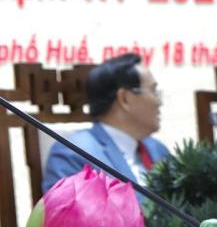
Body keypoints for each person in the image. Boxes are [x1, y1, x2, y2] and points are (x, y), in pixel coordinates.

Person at [41, 53, 169, 195]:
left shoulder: (158, 149)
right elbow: (64, 207)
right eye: (153, 91)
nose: (159, 102)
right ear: (125, 98)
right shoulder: (73, 154)